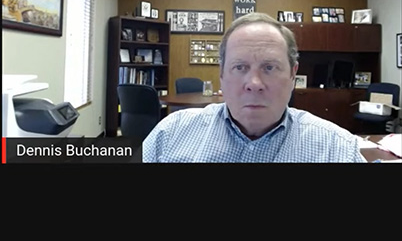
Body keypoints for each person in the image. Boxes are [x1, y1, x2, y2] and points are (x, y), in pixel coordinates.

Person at [143, 13, 365, 162]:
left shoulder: (337, 149)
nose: (254, 84)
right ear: (221, 74)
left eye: (269, 67)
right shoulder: (169, 134)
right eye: (240, 67)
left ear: (292, 74)